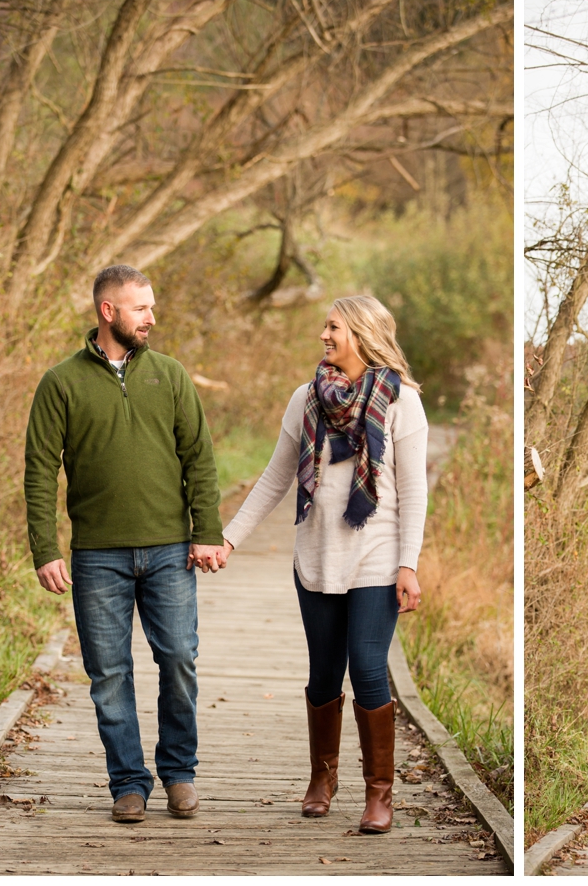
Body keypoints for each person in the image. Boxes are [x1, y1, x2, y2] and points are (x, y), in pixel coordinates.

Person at [24, 264, 226, 824]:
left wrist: (206, 531)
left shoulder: (171, 375)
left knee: (179, 659)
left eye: (152, 306)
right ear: (108, 311)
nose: (152, 318)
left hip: (169, 550)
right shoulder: (60, 383)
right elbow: (40, 471)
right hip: (97, 556)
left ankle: (179, 773)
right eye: (141, 308)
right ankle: (129, 783)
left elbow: (199, 460)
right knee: (109, 673)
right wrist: (45, 547)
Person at [217, 295, 427, 834]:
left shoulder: (401, 401)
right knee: (323, 672)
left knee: (369, 666)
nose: (323, 336)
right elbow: (274, 477)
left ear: (359, 333)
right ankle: (322, 777)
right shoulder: (305, 399)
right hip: (316, 553)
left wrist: (409, 564)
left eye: (332, 327)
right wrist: (230, 540)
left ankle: (380, 793)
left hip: (376, 555)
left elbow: (414, 491)